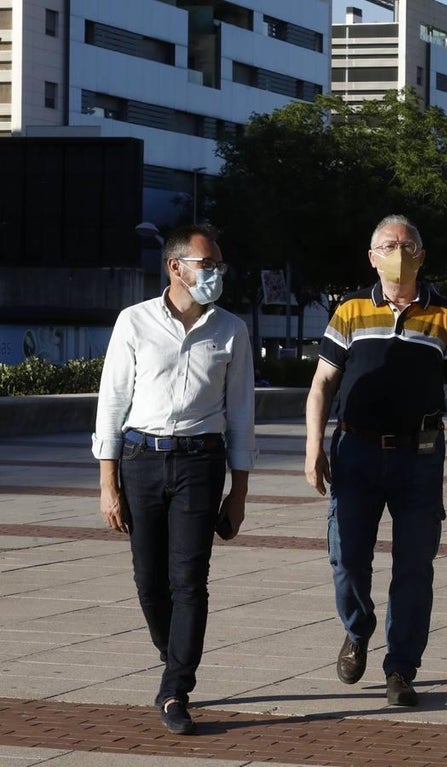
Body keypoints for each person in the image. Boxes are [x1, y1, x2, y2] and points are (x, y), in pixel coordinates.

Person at [304, 214, 447, 707]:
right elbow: (322, 384)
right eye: (387, 244)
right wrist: (313, 446)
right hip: (355, 451)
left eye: (406, 244)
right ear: (371, 256)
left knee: (415, 567)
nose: (397, 251)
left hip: (419, 457)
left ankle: (401, 667)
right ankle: (357, 629)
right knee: (348, 558)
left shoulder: (446, 316)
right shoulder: (350, 310)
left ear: (421, 255)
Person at [92, 224, 256, 736]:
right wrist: (107, 483)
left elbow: (242, 412)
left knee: (189, 580)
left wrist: (240, 491)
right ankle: (174, 654)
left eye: (219, 266)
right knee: (149, 582)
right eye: (207, 265)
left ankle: (175, 688)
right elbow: (112, 402)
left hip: (200, 463)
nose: (216, 274)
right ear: (176, 266)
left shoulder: (231, 329)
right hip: (141, 457)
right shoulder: (134, 322)